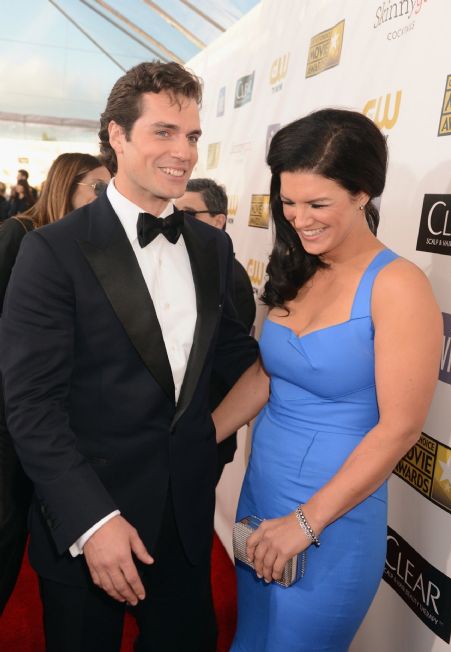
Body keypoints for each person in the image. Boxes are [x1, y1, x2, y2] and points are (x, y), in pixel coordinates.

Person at [0, 61, 258, 652]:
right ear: (117, 136)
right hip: (90, 523)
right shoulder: (51, 249)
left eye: (192, 136)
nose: (184, 153)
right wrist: (92, 521)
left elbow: (238, 361)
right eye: (163, 132)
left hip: (186, 525)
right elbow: (32, 406)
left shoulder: (213, 248)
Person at [213, 108, 442, 651]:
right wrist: (198, 433)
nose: (299, 218)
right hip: (260, 495)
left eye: (318, 204)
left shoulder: (399, 286)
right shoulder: (299, 267)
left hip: (331, 519)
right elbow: (267, 375)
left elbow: (401, 430)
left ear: (363, 193)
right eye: (288, 202)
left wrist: (305, 523)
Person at [0, 152, 111, 615]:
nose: (107, 200)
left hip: (60, 420)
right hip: (10, 416)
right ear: (67, 185)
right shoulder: (18, 234)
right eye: (98, 189)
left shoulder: (94, 247)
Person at [175, 177, 256, 482]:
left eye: (189, 214)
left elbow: (230, 361)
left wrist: (206, 431)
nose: (178, 223)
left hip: (206, 429)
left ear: (219, 221)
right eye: (174, 212)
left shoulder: (231, 278)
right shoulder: (182, 265)